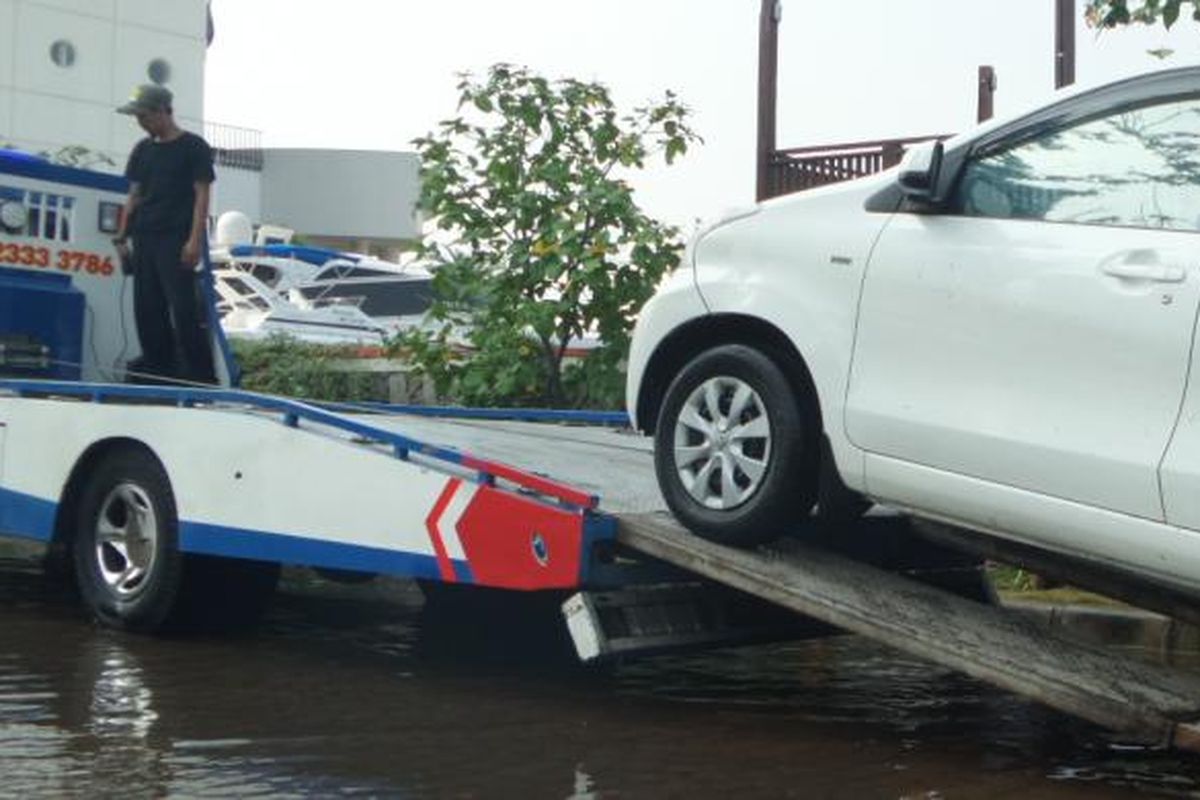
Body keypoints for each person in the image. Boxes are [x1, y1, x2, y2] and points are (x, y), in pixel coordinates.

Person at [111, 84, 217, 384]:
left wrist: (194, 240)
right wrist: (122, 236)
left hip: (176, 237)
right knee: (147, 308)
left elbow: (202, 196)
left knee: (182, 308)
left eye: (144, 116)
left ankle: (200, 375)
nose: (140, 122)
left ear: (162, 111)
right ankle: (159, 369)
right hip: (145, 235)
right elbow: (134, 194)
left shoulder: (193, 147)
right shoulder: (143, 150)